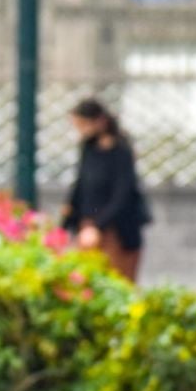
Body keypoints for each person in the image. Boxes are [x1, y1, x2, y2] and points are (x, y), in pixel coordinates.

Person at [60, 98, 149, 282]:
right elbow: (80, 185)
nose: (81, 130)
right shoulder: (87, 148)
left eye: (83, 124)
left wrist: (97, 227)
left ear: (99, 121)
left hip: (115, 230)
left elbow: (123, 195)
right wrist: (68, 219)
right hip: (88, 228)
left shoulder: (121, 151)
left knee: (117, 281)